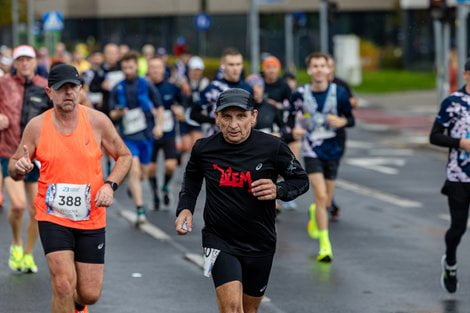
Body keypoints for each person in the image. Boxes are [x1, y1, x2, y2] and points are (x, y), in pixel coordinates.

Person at [8, 63, 132, 313]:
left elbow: (124, 156)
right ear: (49, 93)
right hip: (53, 215)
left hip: (91, 217)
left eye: (72, 87)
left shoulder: (97, 121)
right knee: (63, 285)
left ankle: (77, 306)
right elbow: (13, 165)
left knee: (89, 293)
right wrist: (19, 166)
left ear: (80, 90)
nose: (68, 93)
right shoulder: (37, 126)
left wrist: (110, 185)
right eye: (61, 88)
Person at [175, 88, 309, 313]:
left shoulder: (273, 147)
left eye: (241, 116)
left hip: (260, 240)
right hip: (219, 238)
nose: (233, 124)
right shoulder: (204, 149)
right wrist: (185, 209)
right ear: (217, 118)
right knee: (232, 309)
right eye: (226, 117)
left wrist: (278, 189)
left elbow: (301, 180)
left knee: (249, 310)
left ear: (253, 117)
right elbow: (191, 180)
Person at [290, 52, 355, 263]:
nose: (319, 70)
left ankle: (314, 212)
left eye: (322, 66)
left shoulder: (340, 93)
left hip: (333, 150)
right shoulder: (300, 94)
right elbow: (290, 118)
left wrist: (342, 122)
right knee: (319, 194)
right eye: (314, 66)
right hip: (311, 150)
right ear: (309, 70)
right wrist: (294, 130)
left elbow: (351, 119)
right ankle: (325, 245)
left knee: (325, 200)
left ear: (329, 70)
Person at [0, 45, 53, 273]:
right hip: (8, 152)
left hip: (36, 155)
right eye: (19, 60)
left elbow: (57, 114)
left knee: (37, 211)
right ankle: (16, 243)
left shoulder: (45, 87)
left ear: (34, 62)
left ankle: (29, 254)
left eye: (28, 60)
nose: (24, 64)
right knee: (18, 205)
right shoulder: (4, 84)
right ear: (14, 63)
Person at [430, 59, 470, 294]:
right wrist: (460, 142)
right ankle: (451, 263)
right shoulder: (452, 103)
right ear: (466, 75)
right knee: (458, 227)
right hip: (459, 176)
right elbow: (434, 136)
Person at [109, 51, 163, 224]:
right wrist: (118, 112)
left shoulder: (146, 85)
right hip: (127, 136)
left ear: (137, 67)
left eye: (131, 67)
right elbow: (110, 113)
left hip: (146, 134)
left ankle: (136, 184)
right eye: (124, 67)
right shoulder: (117, 87)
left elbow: (159, 106)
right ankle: (140, 210)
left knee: (143, 173)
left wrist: (159, 125)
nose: (127, 70)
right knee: (134, 169)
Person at [147, 56, 183, 210]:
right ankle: (155, 192)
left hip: (168, 132)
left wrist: (179, 111)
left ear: (163, 69)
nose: (155, 70)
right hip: (149, 133)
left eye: (158, 67)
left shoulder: (172, 88)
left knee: (170, 165)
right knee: (151, 168)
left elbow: (183, 105)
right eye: (152, 67)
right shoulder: (144, 87)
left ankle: (165, 187)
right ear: (148, 69)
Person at [191, 47, 252, 137]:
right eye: (231, 65)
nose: (235, 68)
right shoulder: (213, 88)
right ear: (223, 65)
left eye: (238, 64)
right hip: (217, 140)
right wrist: (216, 121)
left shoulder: (247, 88)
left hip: (242, 141)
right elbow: (193, 114)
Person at [326, 54, 358, 220]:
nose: (326, 69)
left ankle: (329, 201)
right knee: (318, 172)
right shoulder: (312, 88)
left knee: (331, 170)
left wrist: (347, 105)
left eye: (329, 65)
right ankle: (327, 202)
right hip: (317, 138)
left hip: (337, 136)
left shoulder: (340, 85)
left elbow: (353, 103)